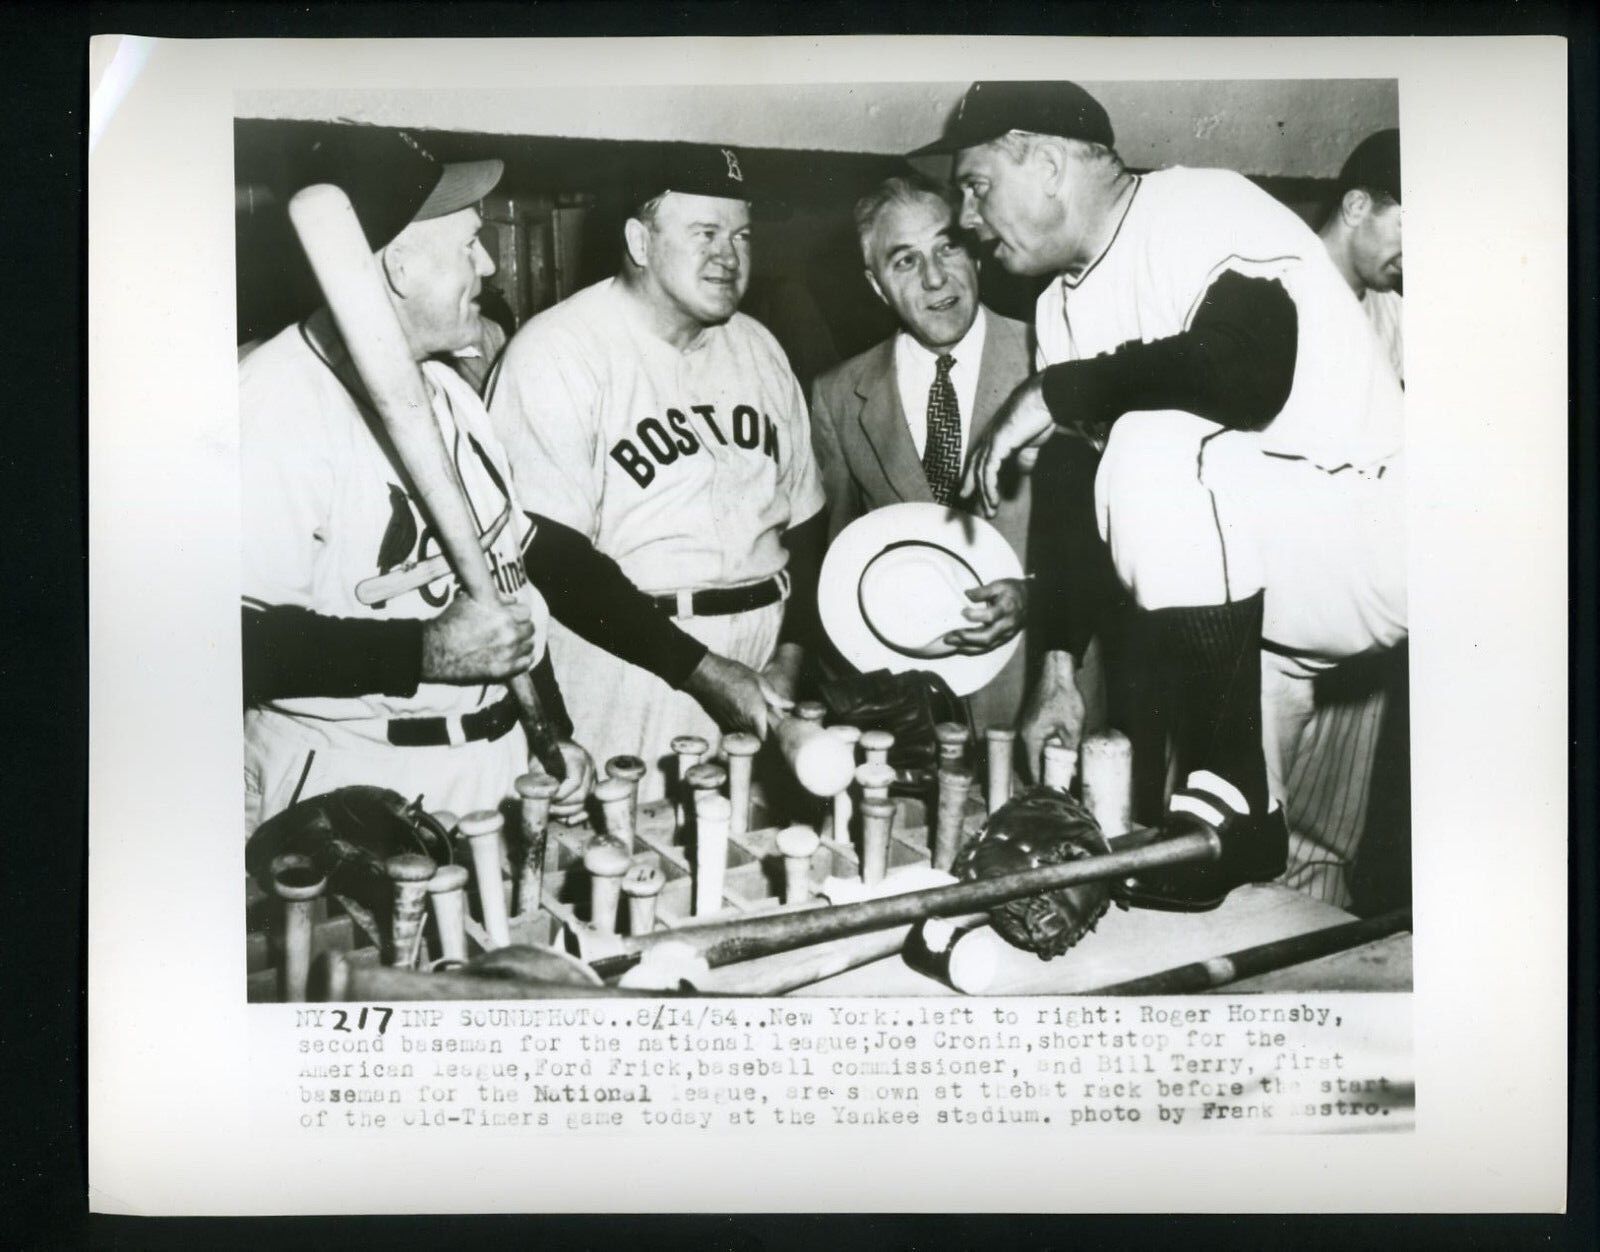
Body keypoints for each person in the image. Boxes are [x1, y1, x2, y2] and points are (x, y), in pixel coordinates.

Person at [921, 81, 1406, 911]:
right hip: (1257, 601)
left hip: (1372, 528)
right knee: (1217, 861)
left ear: (1044, 164)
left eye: (975, 185)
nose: (967, 217)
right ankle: (1236, 824)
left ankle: (1240, 802)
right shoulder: (1060, 306)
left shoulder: (1195, 203)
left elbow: (1251, 371)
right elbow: (1079, 490)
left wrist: (1054, 392)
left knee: (1153, 439)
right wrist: (1060, 671)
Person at [241, 130, 766, 830]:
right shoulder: (270, 406)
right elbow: (225, 644)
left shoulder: (446, 391)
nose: (489, 266)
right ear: (398, 267)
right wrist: (425, 651)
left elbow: (519, 569)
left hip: (491, 768)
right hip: (345, 784)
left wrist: (553, 730)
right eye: (467, 246)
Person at [488, 146, 827, 800]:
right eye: (705, 233)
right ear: (640, 242)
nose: (729, 255)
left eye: (742, 235)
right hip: (633, 664)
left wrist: (792, 654)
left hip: (764, 662)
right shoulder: (558, 352)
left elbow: (808, 522)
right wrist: (702, 671)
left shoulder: (758, 346)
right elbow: (550, 556)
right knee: (634, 863)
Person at [808, 173, 1038, 730]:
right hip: (911, 720)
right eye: (905, 261)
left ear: (976, 252)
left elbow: (1112, 541)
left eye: (947, 246)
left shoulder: (1053, 357)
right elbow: (841, 569)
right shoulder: (838, 396)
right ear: (876, 284)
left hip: (1036, 702)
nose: (936, 278)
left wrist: (1041, 597)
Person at [1271, 128, 1405, 907]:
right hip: (1262, 607)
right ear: (1357, 204)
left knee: (1325, 846)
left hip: (1361, 609)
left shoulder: (1394, 310)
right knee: (1240, 824)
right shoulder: (1271, 293)